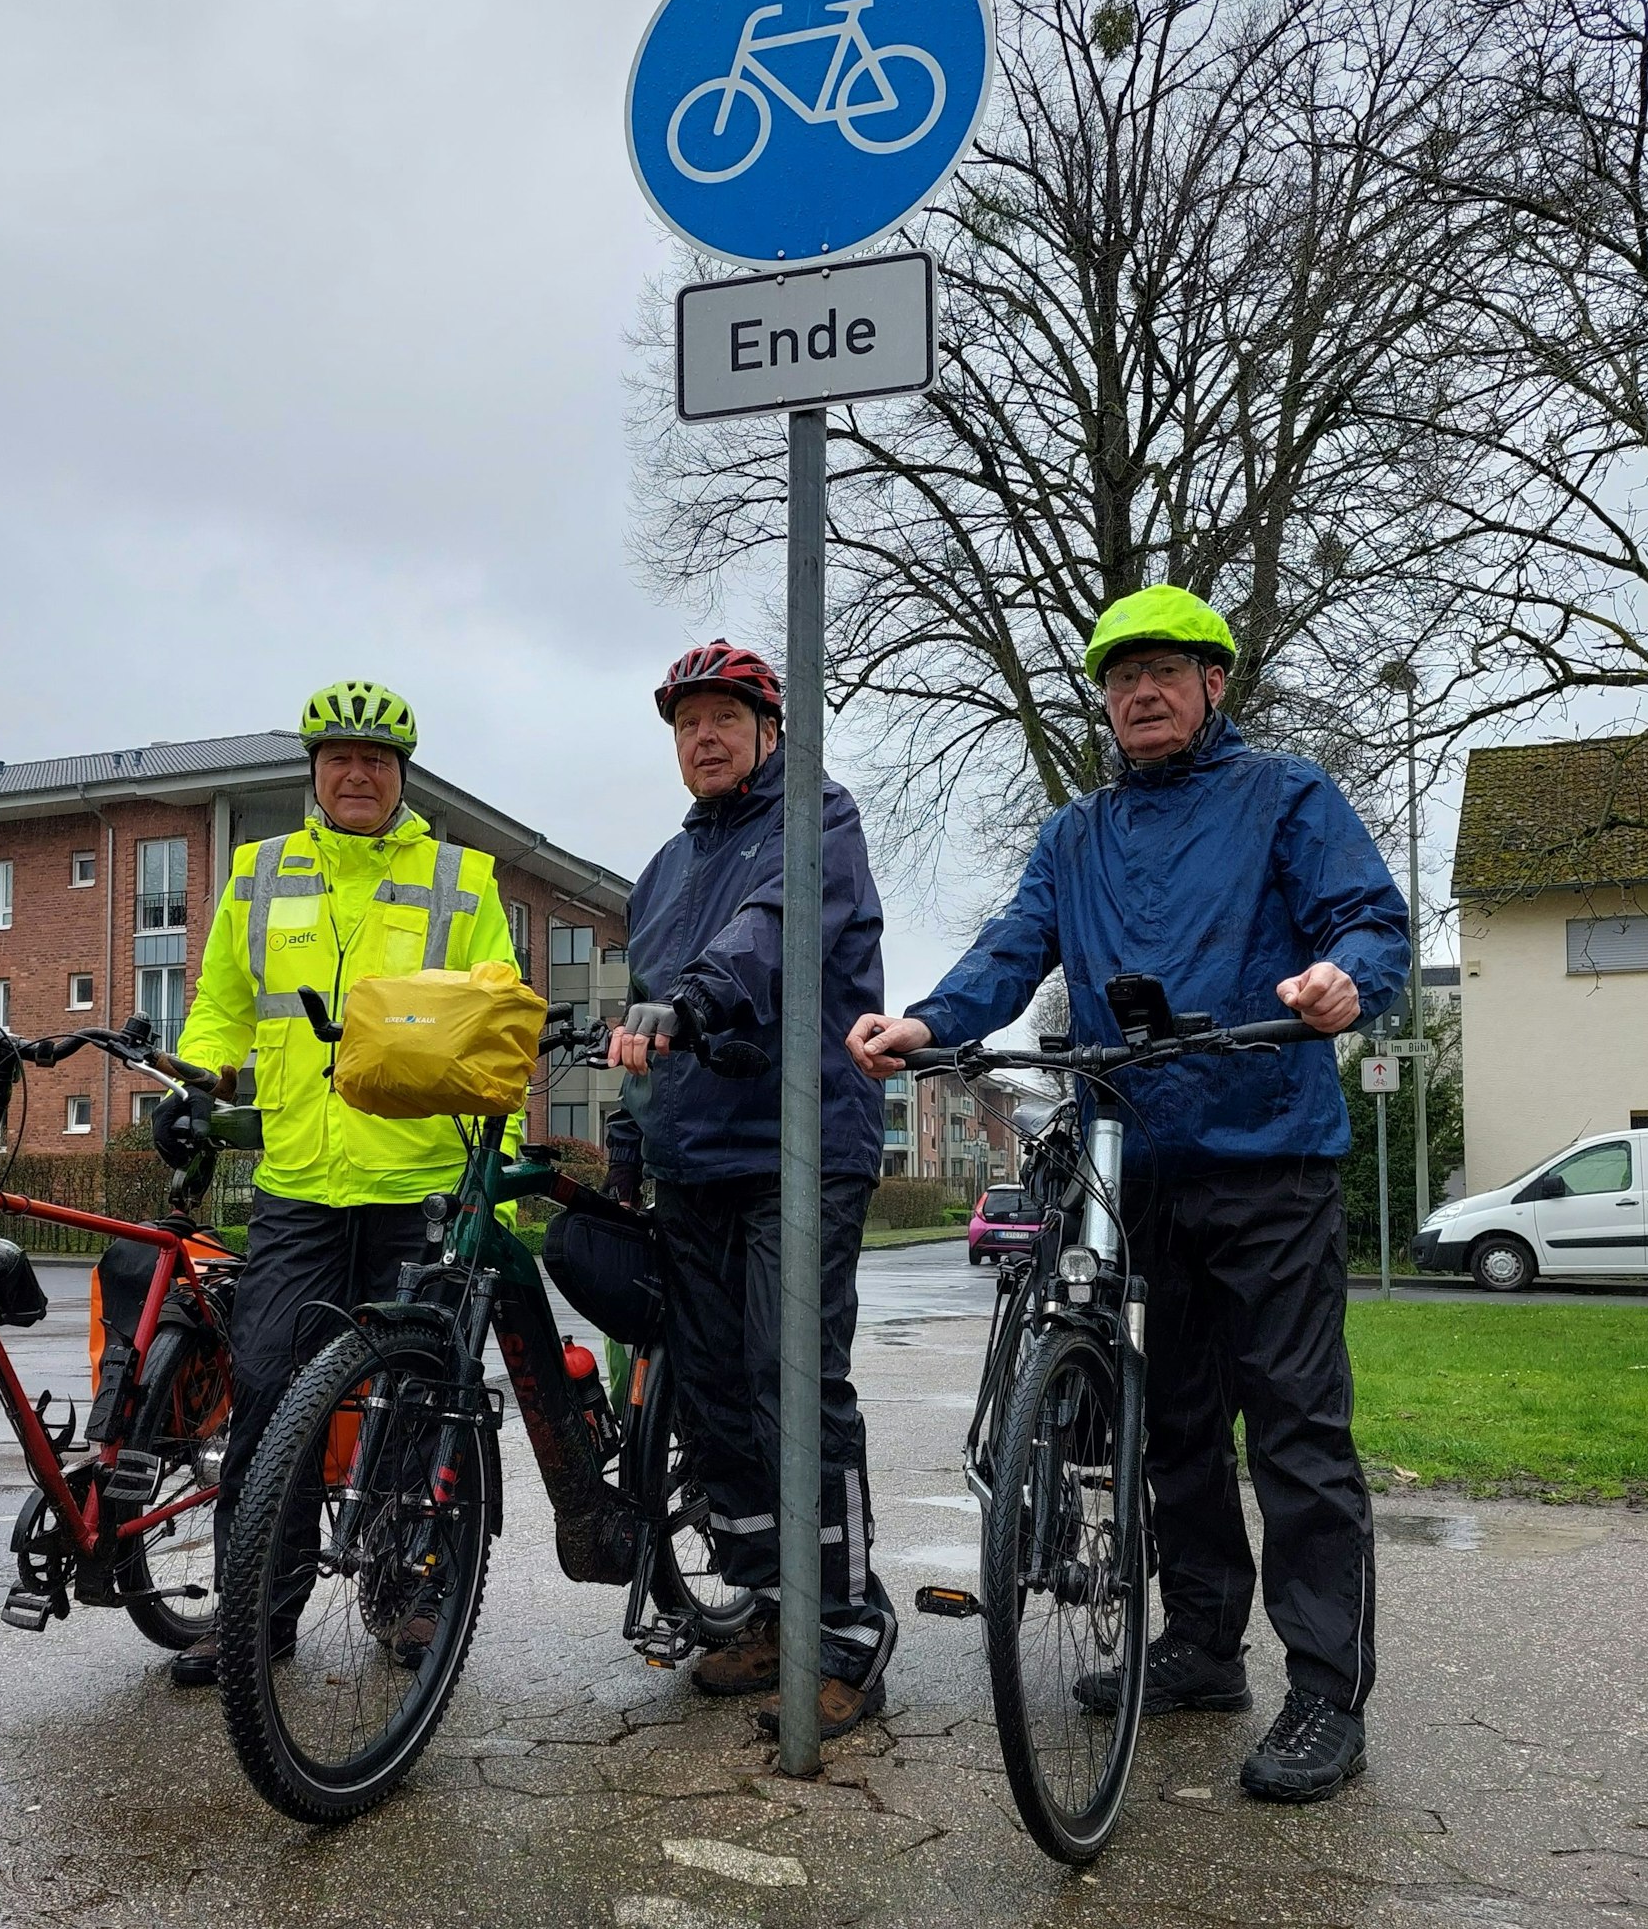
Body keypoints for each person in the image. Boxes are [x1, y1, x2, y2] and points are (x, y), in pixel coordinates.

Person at [848, 586, 1410, 1804]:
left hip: (1267, 1153)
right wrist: (931, 1020)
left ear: (1215, 683)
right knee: (1172, 1428)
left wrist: (1339, 977)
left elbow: (1371, 920)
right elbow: (1011, 945)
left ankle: (1325, 1688)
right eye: (1119, 676)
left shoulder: (1285, 795)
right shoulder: (1074, 834)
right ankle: (1203, 1647)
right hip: (1133, 1160)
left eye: (1164, 669)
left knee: (1298, 1431)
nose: (1140, 691)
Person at [158, 680, 521, 1687]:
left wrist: (497, 1166)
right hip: (300, 1180)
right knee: (269, 1388)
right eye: (337, 757)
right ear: (313, 771)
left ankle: (407, 1602)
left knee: (414, 1398)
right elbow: (224, 1005)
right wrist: (198, 1083)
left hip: (419, 1181)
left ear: (401, 774)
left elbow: (497, 1023)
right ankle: (253, 1618)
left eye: (375, 758)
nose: (355, 772)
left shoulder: (461, 877)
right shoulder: (258, 871)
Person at [604, 640, 896, 1742]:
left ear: (769, 728)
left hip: (798, 1147)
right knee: (717, 1395)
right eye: (686, 723)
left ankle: (850, 1633)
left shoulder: (817, 819)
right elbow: (640, 1010)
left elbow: (769, 933)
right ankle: (772, 1604)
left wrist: (697, 996)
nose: (704, 737)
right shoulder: (663, 870)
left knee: (794, 1386)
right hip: (692, 1160)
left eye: (725, 716)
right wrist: (630, 1150)